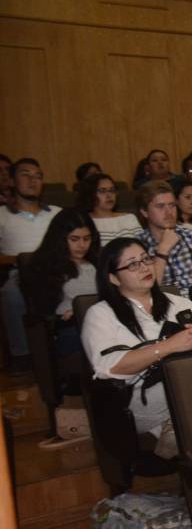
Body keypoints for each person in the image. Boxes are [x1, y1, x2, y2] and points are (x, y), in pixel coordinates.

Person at [82, 237, 192, 458]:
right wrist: (167, 346)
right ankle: (184, 433)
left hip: (188, 387)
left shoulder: (179, 303)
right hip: (139, 399)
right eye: (132, 264)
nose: (144, 267)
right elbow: (107, 367)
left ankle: (179, 432)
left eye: (146, 259)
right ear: (113, 277)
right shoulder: (100, 314)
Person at [1, 158, 61, 370]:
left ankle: (65, 350)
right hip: (19, 271)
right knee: (11, 293)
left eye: (38, 176)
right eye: (25, 174)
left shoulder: (56, 213)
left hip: (57, 268)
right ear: (12, 181)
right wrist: (20, 258)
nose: (32, 180)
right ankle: (24, 355)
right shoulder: (2, 215)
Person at [20, 208, 99, 358]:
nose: (82, 245)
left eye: (87, 238)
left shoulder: (97, 262)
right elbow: (43, 312)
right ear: (60, 238)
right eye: (74, 239)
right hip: (70, 328)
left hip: (102, 322)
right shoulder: (45, 267)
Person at [134, 180, 192, 298]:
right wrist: (163, 250)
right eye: (160, 206)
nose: (168, 212)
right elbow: (143, 293)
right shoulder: (136, 248)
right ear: (144, 212)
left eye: (172, 205)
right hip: (159, 310)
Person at [77, 172, 140, 246]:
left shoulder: (129, 218)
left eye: (112, 190)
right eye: (102, 191)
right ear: (90, 194)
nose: (109, 195)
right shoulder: (84, 221)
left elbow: (142, 245)